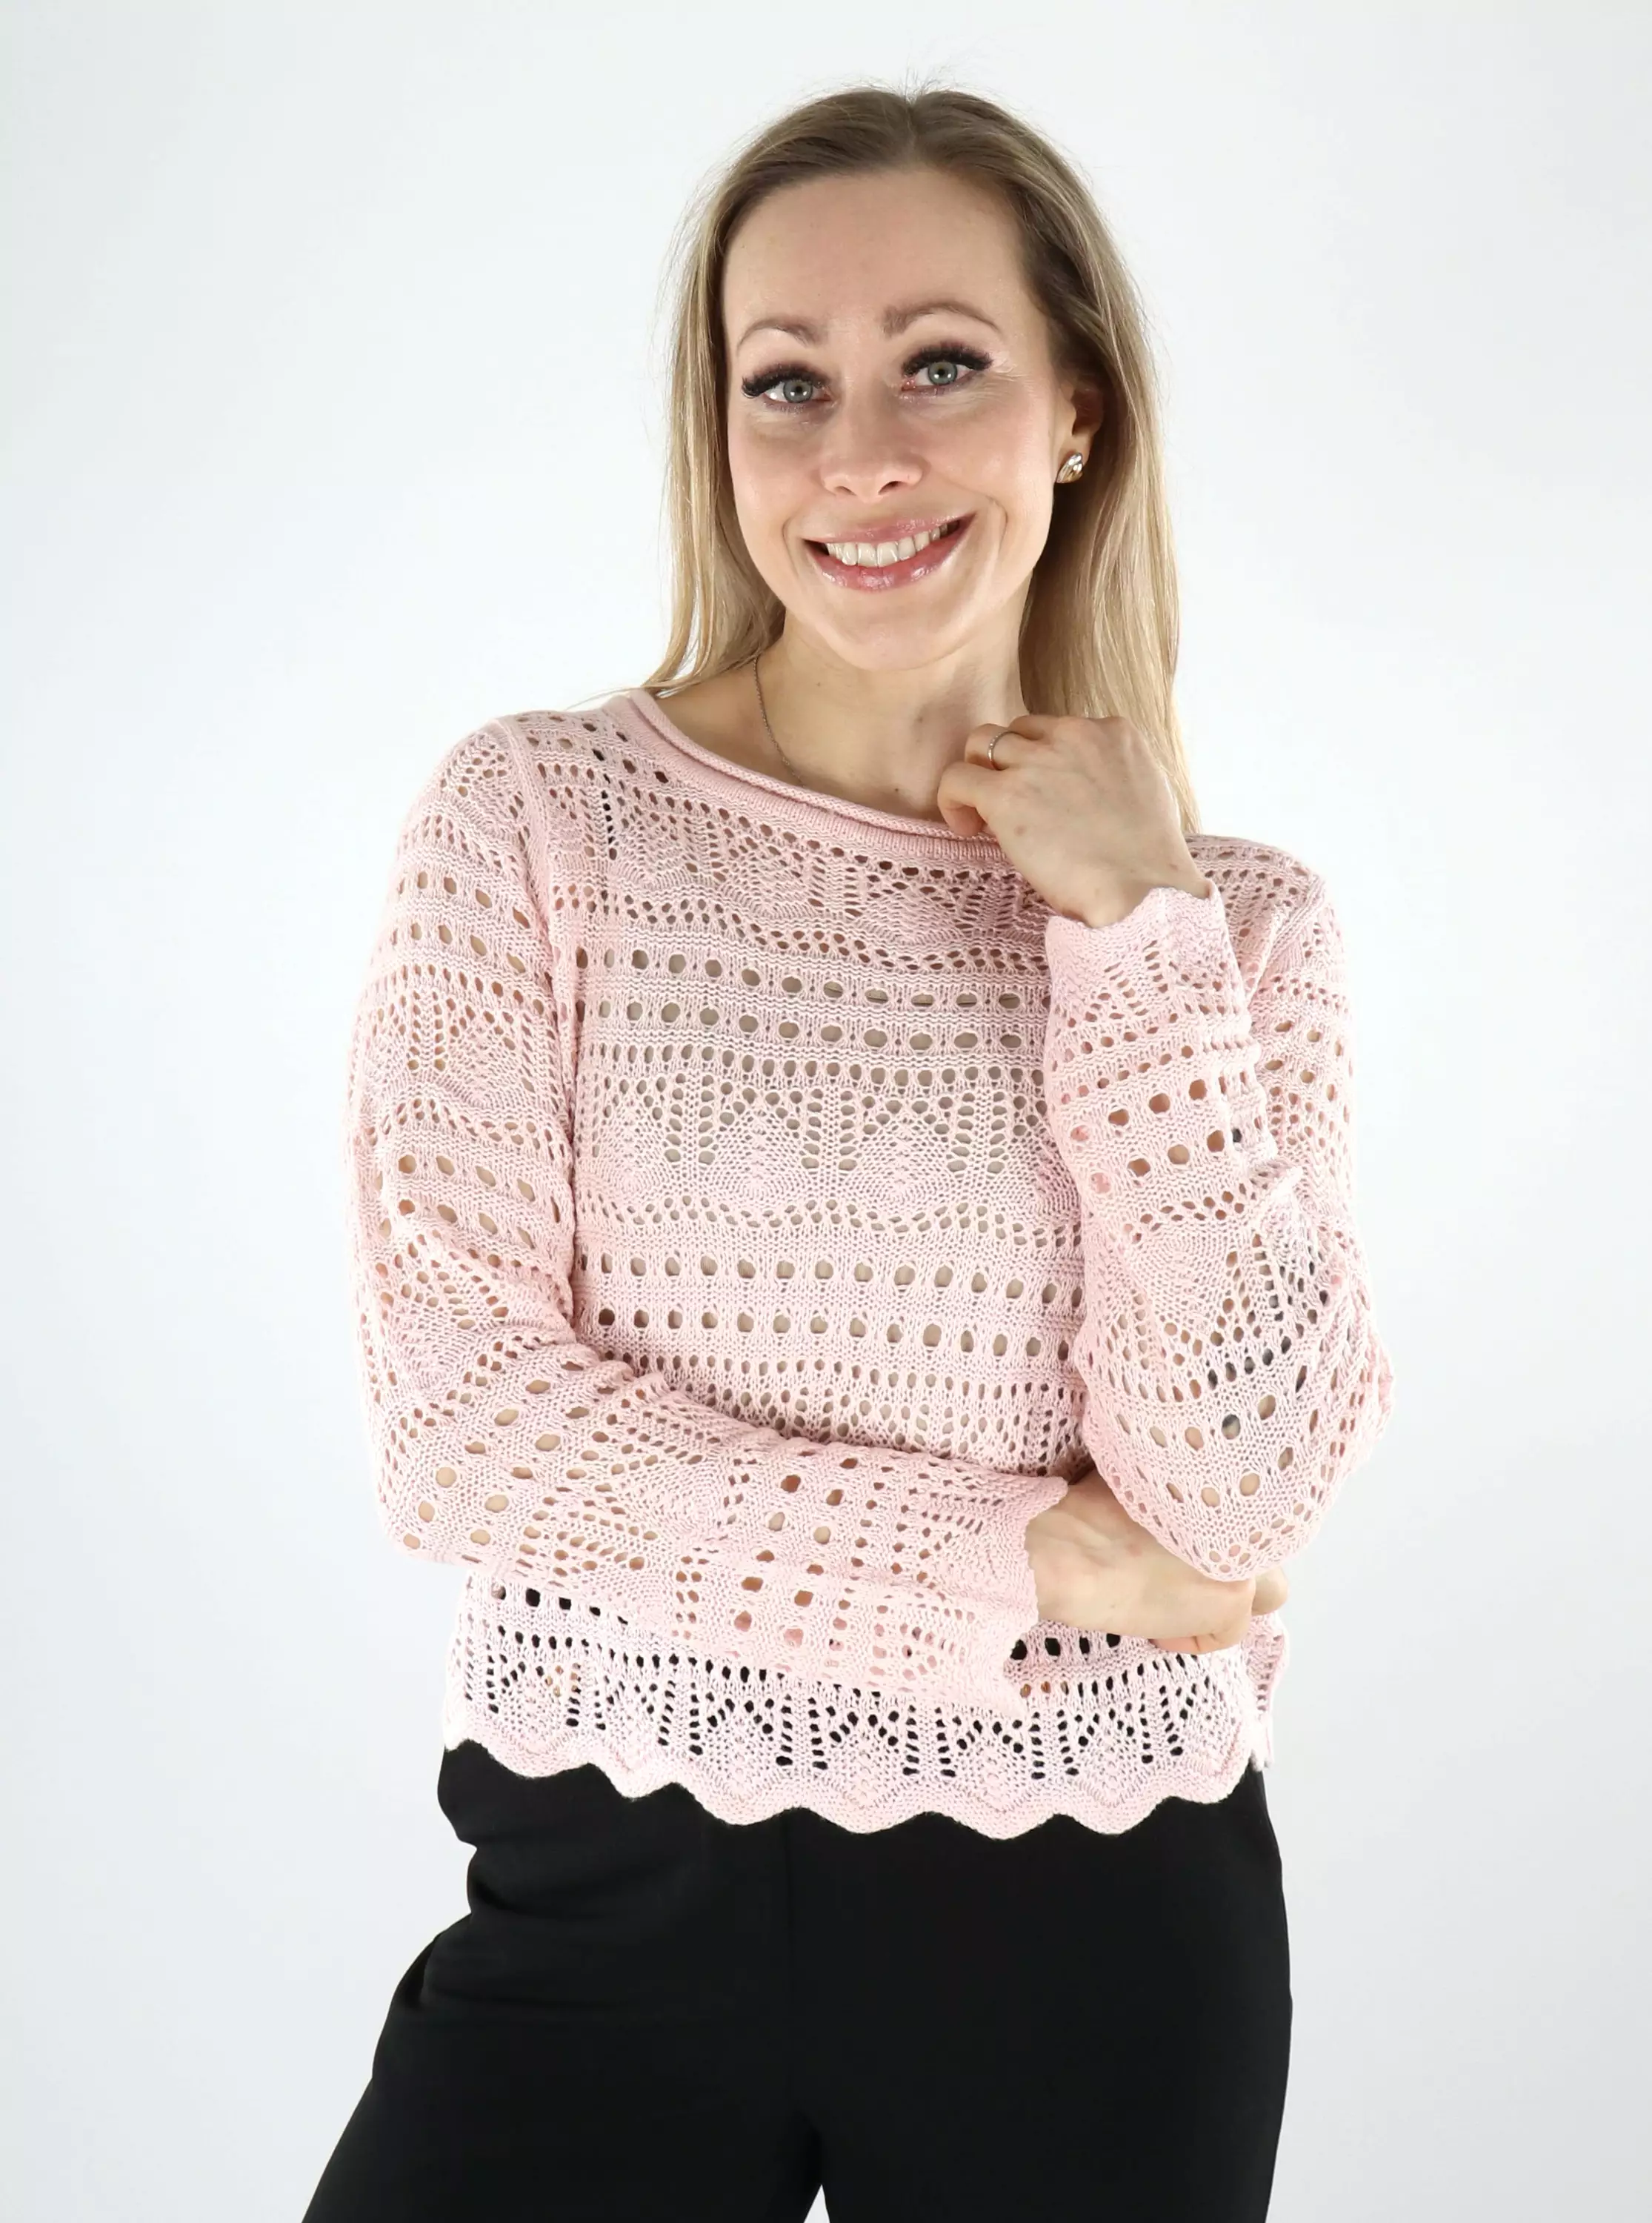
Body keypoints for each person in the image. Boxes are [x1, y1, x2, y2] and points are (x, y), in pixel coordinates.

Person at [302, 80, 1394, 2223]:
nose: (859, 455)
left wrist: (1130, 932)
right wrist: (1026, 1568)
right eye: (784, 382)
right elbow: (460, 1422)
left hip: (1091, 1924)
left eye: (943, 365)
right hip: (606, 1894)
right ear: (716, 435)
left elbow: (1239, 1500)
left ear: (1075, 414)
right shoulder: (539, 822)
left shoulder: (1232, 929)